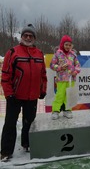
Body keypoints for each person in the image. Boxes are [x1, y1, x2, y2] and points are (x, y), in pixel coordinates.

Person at [0, 24, 47, 161]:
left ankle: (27, 143)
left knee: (29, 122)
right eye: (25, 35)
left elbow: (43, 75)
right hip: (15, 96)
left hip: (32, 96)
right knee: (10, 123)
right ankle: (6, 151)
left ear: (34, 38)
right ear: (21, 37)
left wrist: (42, 90)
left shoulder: (39, 53)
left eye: (30, 36)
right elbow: (6, 75)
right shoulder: (13, 52)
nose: (28, 37)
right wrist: (9, 94)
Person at [50, 35, 81, 120]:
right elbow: (52, 65)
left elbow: (78, 65)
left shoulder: (73, 54)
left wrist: (75, 71)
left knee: (69, 95)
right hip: (61, 79)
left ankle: (67, 110)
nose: (68, 47)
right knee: (59, 95)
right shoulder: (58, 53)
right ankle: (56, 111)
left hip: (71, 79)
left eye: (69, 45)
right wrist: (60, 67)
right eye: (66, 44)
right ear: (62, 44)